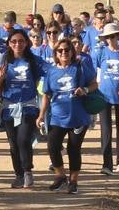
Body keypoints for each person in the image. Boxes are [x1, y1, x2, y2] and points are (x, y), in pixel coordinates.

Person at [39, 39, 97, 194]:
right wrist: (41, 115)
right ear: (56, 53)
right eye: (60, 51)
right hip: (57, 116)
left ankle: (73, 181)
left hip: (79, 117)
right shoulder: (51, 71)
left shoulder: (80, 67)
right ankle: (60, 176)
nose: (63, 53)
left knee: (73, 149)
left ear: (72, 52)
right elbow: (46, 94)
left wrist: (85, 89)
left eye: (67, 50)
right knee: (52, 146)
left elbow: (94, 83)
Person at [0, 29, 44, 188]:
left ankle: (28, 171)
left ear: (26, 42)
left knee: (23, 139)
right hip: (8, 107)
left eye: (21, 41)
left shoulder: (33, 60)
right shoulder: (4, 59)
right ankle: (18, 175)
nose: (17, 44)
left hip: (28, 106)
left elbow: (49, 72)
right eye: (14, 41)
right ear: (8, 43)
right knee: (13, 143)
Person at [94, 23, 119, 174]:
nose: (109, 39)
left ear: (117, 36)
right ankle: (106, 164)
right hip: (104, 95)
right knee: (105, 130)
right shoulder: (101, 53)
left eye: (112, 36)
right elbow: (97, 73)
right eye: (107, 37)